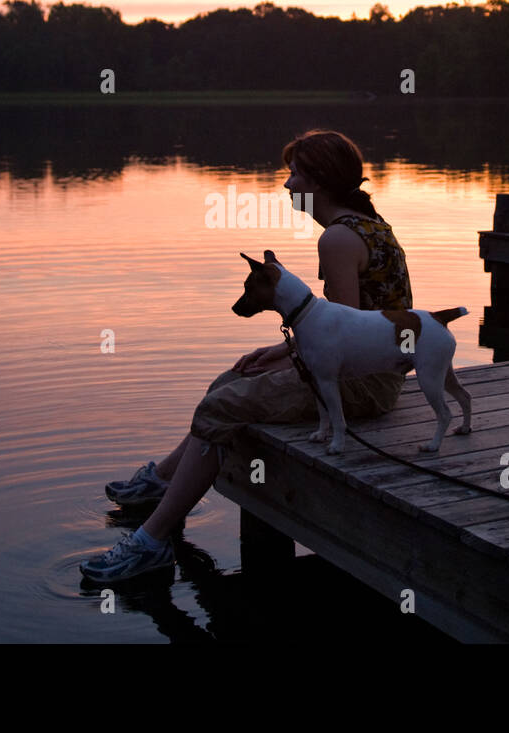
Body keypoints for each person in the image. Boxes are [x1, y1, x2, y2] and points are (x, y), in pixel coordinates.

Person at [79, 130, 414, 583]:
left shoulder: (337, 240)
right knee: (228, 380)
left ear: (319, 182)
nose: (287, 184)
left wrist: (287, 358)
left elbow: (344, 342)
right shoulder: (367, 225)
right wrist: (278, 352)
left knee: (222, 405)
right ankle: (162, 480)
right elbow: (344, 328)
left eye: (295, 174)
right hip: (374, 368)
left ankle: (151, 542)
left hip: (364, 382)